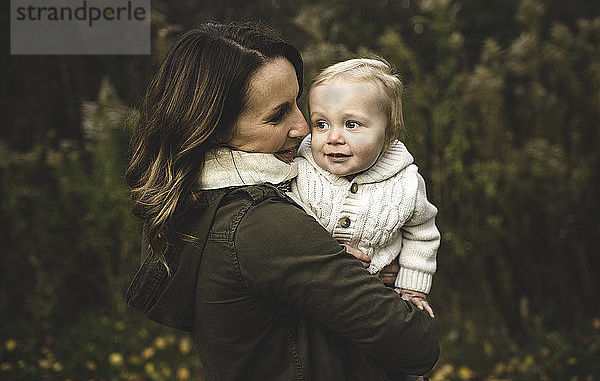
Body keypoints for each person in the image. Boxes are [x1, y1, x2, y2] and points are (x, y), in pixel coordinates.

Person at [125, 22, 439, 381]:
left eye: (296, 103)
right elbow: (417, 345)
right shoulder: (264, 224)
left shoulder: (199, 200)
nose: (303, 127)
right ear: (213, 127)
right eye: (278, 115)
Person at [291, 58, 440, 318]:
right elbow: (284, 222)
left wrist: (412, 286)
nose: (334, 138)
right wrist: (326, 252)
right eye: (321, 124)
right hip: (305, 296)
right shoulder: (300, 170)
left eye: (351, 124)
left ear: (388, 135)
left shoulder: (405, 183)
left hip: (373, 297)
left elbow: (422, 233)